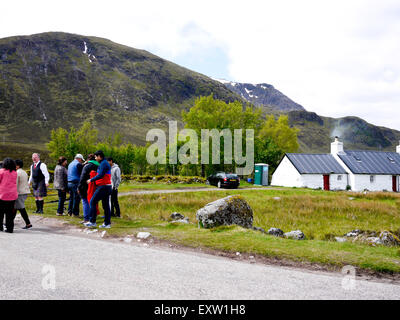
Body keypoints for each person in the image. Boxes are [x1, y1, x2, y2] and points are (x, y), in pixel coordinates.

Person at [84, 150, 112, 228]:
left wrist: (91, 180)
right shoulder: (104, 163)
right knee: (106, 205)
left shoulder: (103, 163)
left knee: (92, 202)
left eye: (96, 157)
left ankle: (92, 221)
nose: (95, 158)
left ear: (100, 156)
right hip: (107, 186)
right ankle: (107, 223)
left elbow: (100, 175)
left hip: (103, 186)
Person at [78, 154, 99, 223]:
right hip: (95, 185)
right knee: (93, 201)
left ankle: (86, 218)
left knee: (85, 201)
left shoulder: (87, 166)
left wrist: (79, 187)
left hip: (85, 185)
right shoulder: (98, 165)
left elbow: (82, 177)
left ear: (88, 159)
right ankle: (93, 216)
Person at [0, 158, 18, 233]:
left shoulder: (1, 172)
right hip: (12, 195)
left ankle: (0, 227)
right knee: (10, 213)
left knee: (0, 212)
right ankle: (10, 228)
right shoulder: (15, 172)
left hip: (2, 194)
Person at [15, 159, 32, 229]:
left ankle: (28, 223)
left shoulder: (17, 173)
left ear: (17, 166)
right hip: (24, 192)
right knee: (15, 207)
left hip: (19, 192)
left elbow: (15, 184)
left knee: (21, 208)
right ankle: (8, 222)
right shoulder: (24, 172)